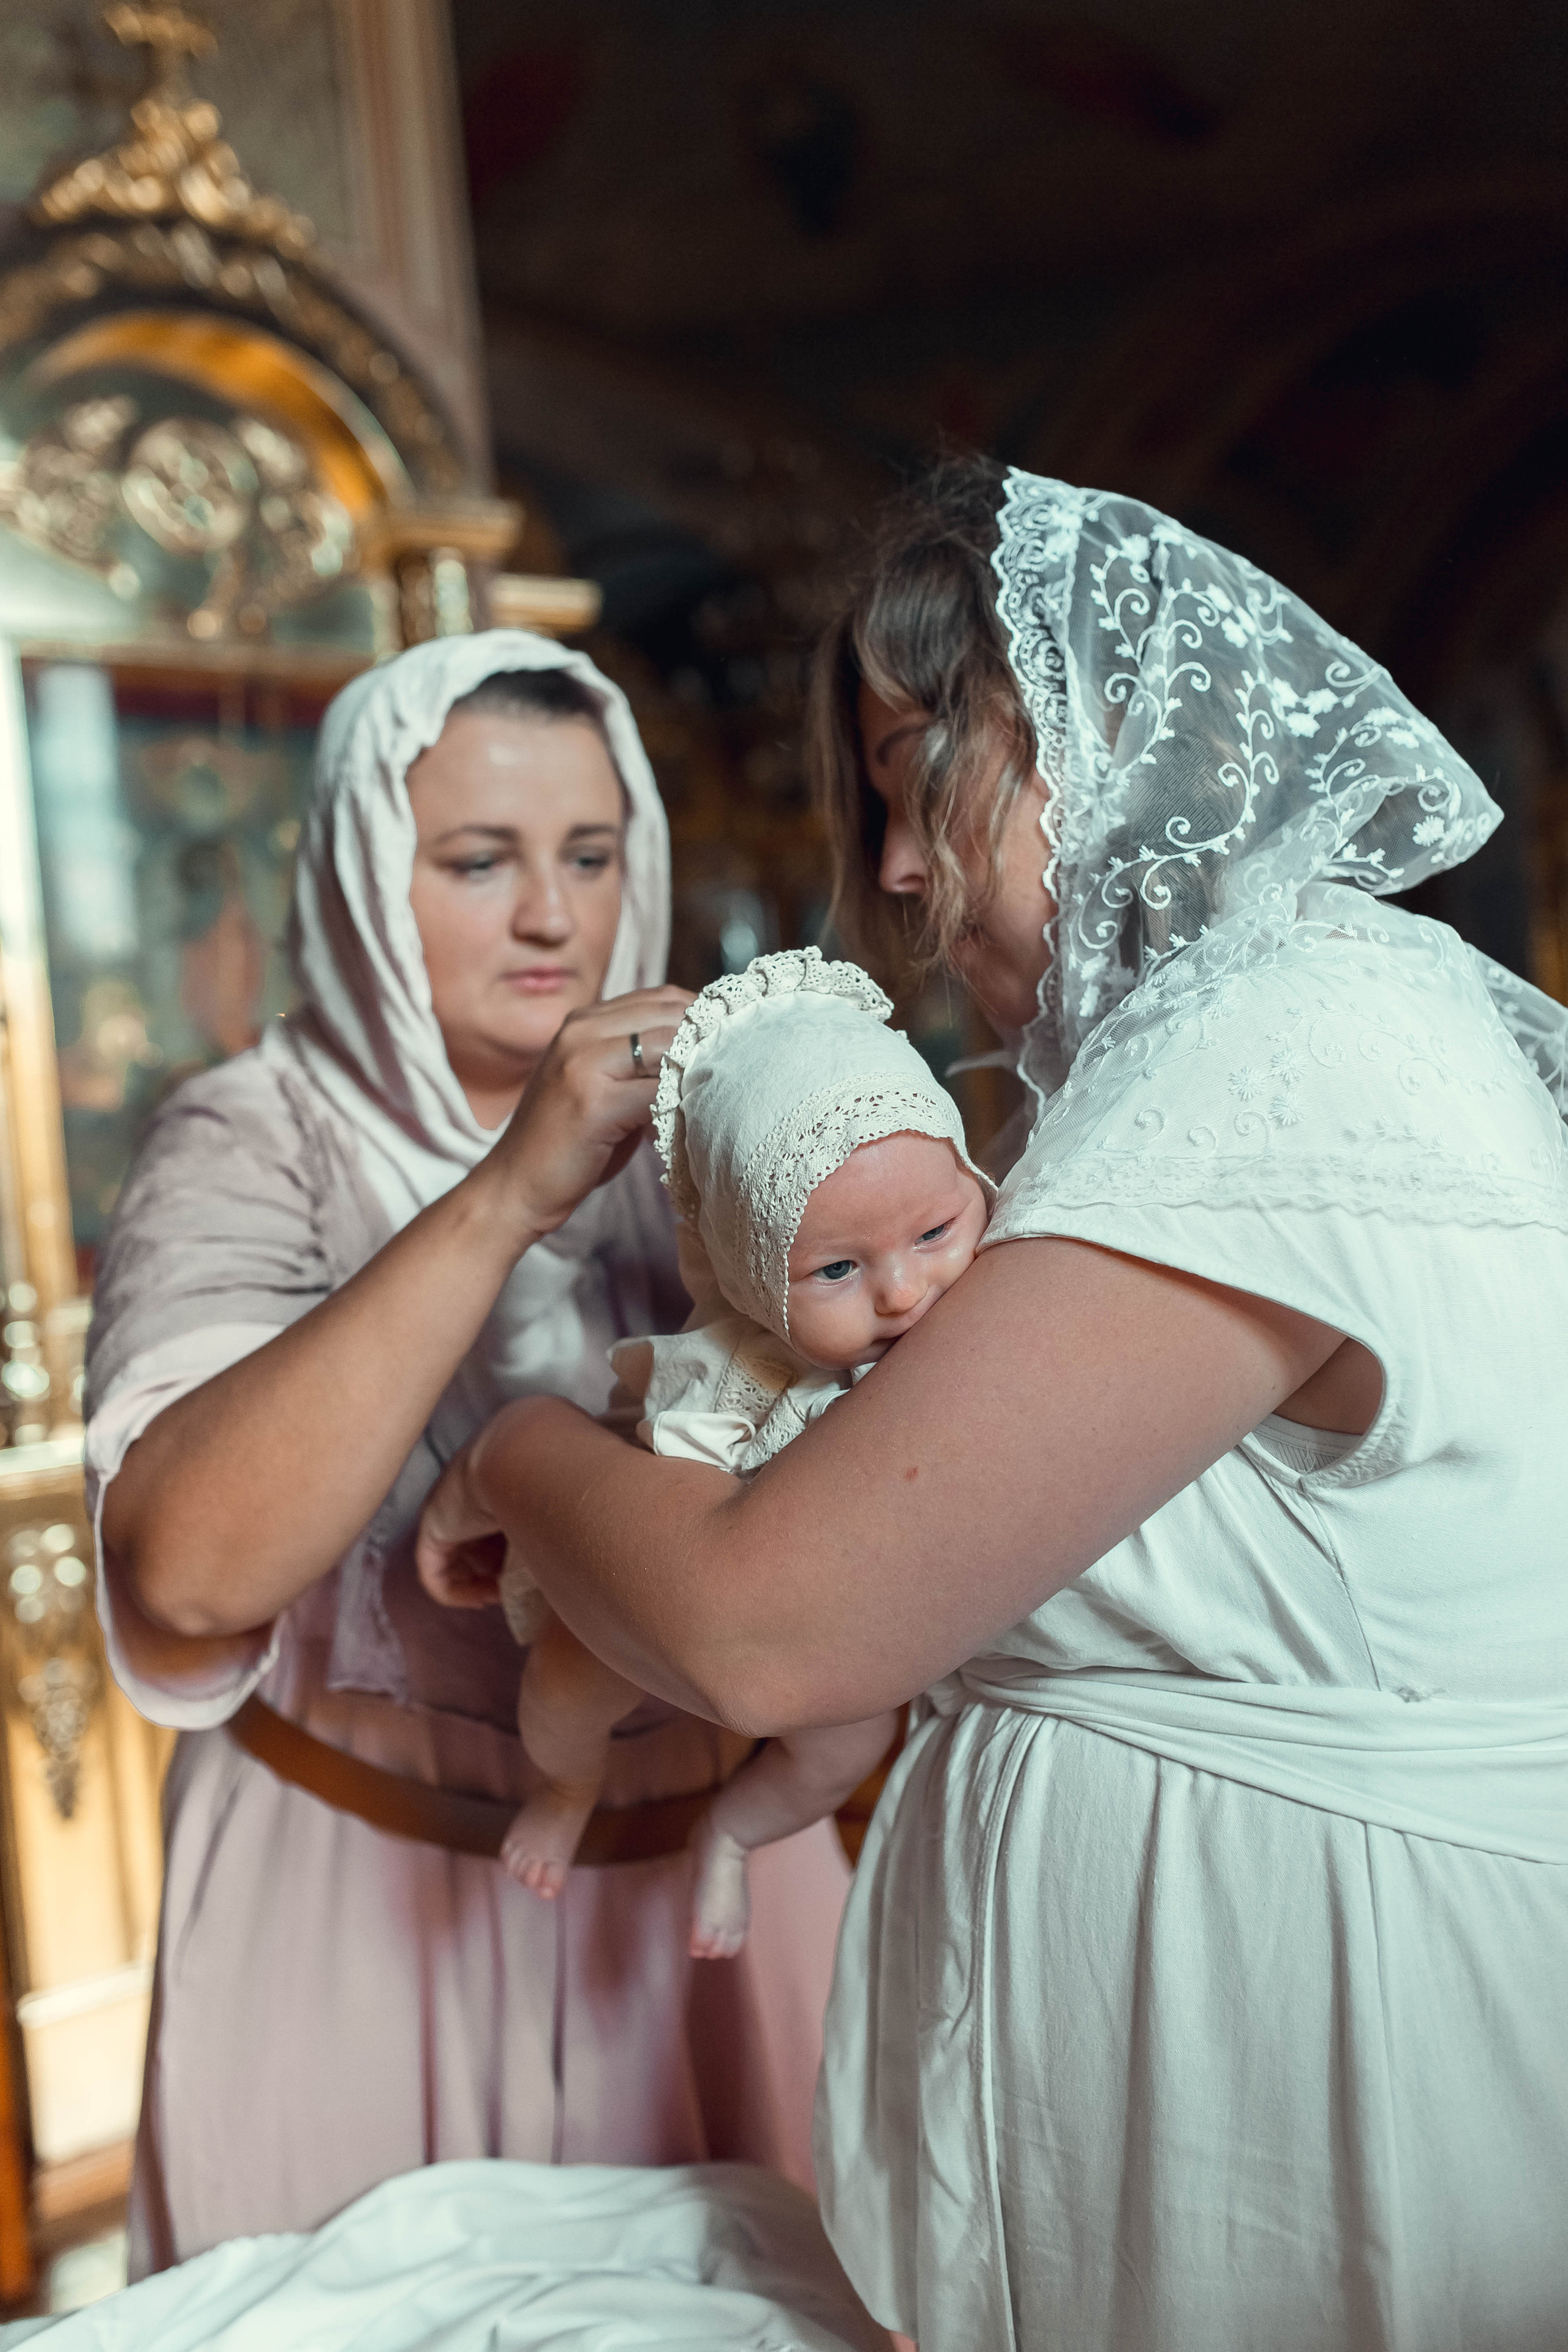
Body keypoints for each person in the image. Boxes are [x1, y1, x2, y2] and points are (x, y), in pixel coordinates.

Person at [415, 473, 1568, 2352]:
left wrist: (512, 1454)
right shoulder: (1194, 1053)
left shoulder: (1284, 1047)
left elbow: (771, 1624)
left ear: (1098, 739)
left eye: (911, 774)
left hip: (1346, 2072)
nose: (886, 870)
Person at [85, 631, 850, 2278]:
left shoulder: (718, 1122)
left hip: (709, 1910)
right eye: (477, 861)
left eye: (590, 856)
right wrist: (508, 1194)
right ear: (366, 871)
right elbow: (191, 1565)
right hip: (367, 1909)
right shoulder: (251, 1134)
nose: (552, 919)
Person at [420, 946, 990, 1952]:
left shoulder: (992, 1305)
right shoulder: (731, 1374)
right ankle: (568, 1779)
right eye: (838, 1269)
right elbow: (669, 1533)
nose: (903, 1291)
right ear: (751, 1277)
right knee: (566, 1683)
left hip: (850, 1631)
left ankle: (729, 1832)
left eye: (936, 1231)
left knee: (845, 1746)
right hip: (684, 1597)